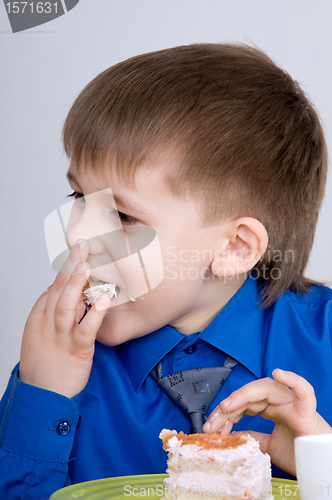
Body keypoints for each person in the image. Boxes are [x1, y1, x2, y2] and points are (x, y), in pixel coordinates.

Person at [0, 43, 331, 499]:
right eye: (79, 199)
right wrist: (43, 395)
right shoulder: (59, 357)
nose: (78, 238)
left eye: (122, 217)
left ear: (234, 247)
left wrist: (321, 468)